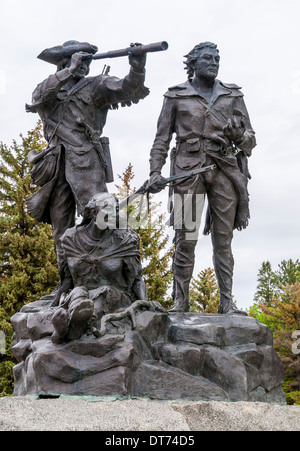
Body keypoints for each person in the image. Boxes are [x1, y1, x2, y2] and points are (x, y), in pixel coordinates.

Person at [148, 42, 256, 314]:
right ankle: (180, 301)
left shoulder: (232, 95)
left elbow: (251, 141)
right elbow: (161, 138)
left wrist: (238, 137)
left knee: (224, 239)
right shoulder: (176, 96)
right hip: (187, 171)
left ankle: (227, 303)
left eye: (217, 58)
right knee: (185, 238)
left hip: (224, 171)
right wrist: (154, 172)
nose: (214, 62)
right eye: (208, 58)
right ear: (193, 63)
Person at [25, 40, 149, 268]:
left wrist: (137, 68)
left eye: (87, 61)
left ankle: (110, 271)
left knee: (102, 217)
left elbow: (127, 88)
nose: (84, 65)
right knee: (60, 226)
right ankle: (66, 280)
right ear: (64, 61)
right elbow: (37, 100)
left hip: (87, 162)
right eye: (79, 59)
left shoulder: (95, 86)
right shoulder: (48, 88)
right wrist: (68, 71)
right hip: (55, 165)